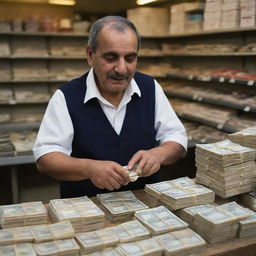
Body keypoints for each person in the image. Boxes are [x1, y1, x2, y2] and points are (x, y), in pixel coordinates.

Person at [33, 15, 187, 198]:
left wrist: (158, 154)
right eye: (111, 57)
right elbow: (46, 158)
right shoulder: (66, 97)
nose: (122, 69)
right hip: (87, 208)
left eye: (130, 58)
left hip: (145, 203)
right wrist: (89, 168)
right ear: (90, 56)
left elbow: (176, 136)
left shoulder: (150, 88)